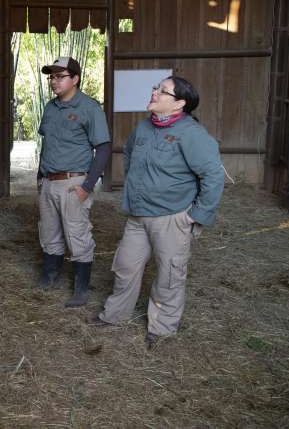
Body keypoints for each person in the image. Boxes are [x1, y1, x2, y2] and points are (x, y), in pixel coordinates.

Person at [89, 76, 224, 348]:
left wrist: (197, 215)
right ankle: (115, 315)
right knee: (125, 266)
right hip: (138, 216)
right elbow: (129, 155)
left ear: (179, 104)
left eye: (162, 91)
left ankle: (161, 329)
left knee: (169, 275)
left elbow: (213, 175)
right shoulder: (144, 128)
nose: (154, 92)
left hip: (172, 218)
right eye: (156, 87)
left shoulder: (191, 134)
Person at [36, 57, 111, 307]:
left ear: (75, 79)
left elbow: (103, 148)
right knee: (49, 232)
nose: (54, 81)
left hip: (73, 182)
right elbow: (47, 145)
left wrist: (87, 187)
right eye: (52, 77)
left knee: (77, 234)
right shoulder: (50, 108)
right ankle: (50, 277)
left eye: (60, 76)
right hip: (48, 181)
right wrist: (40, 178)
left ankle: (81, 290)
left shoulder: (89, 108)